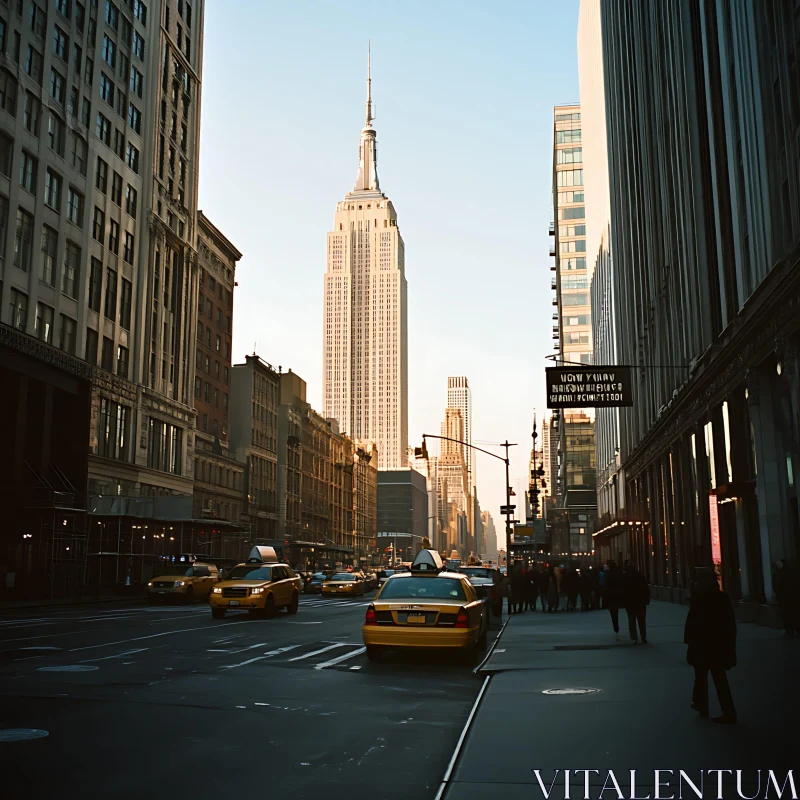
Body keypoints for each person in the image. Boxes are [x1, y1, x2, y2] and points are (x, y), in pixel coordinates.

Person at [684, 568, 737, 724]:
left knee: (701, 677)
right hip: (718, 646)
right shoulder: (721, 598)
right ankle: (728, 711)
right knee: (719, 677)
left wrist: (689, 640)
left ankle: (702, 706)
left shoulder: (699, 600)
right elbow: (729, 624)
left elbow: (692, 624)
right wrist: (730, 645)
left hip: (702, 646)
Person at [623, 561, 650, 643]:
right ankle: (643, 637)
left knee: (632, 621)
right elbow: (646, 589)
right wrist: (646, 600)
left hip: (630, 603)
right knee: (641, 621)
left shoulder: (626, 577)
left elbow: (623, 590)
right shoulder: (640, 576)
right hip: (640, 602)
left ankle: (634, 638)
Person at [773, 559, 799, 637]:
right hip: (783, 598)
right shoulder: (778, 573)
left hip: (789, 598)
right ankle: (790, 630)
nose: (778, 566)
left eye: (779, 564)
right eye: (777, 564)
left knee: (790, 615)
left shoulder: (788, 573)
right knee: (786, 615)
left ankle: (792, 630)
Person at [604, 561, 624, 635]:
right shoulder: (619, 573)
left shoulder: (608, 574)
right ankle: (616, 625)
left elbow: (606, 585)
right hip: (618, 595)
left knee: (613, 612)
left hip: (611, 596)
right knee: (615, 610)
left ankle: (616, 626)